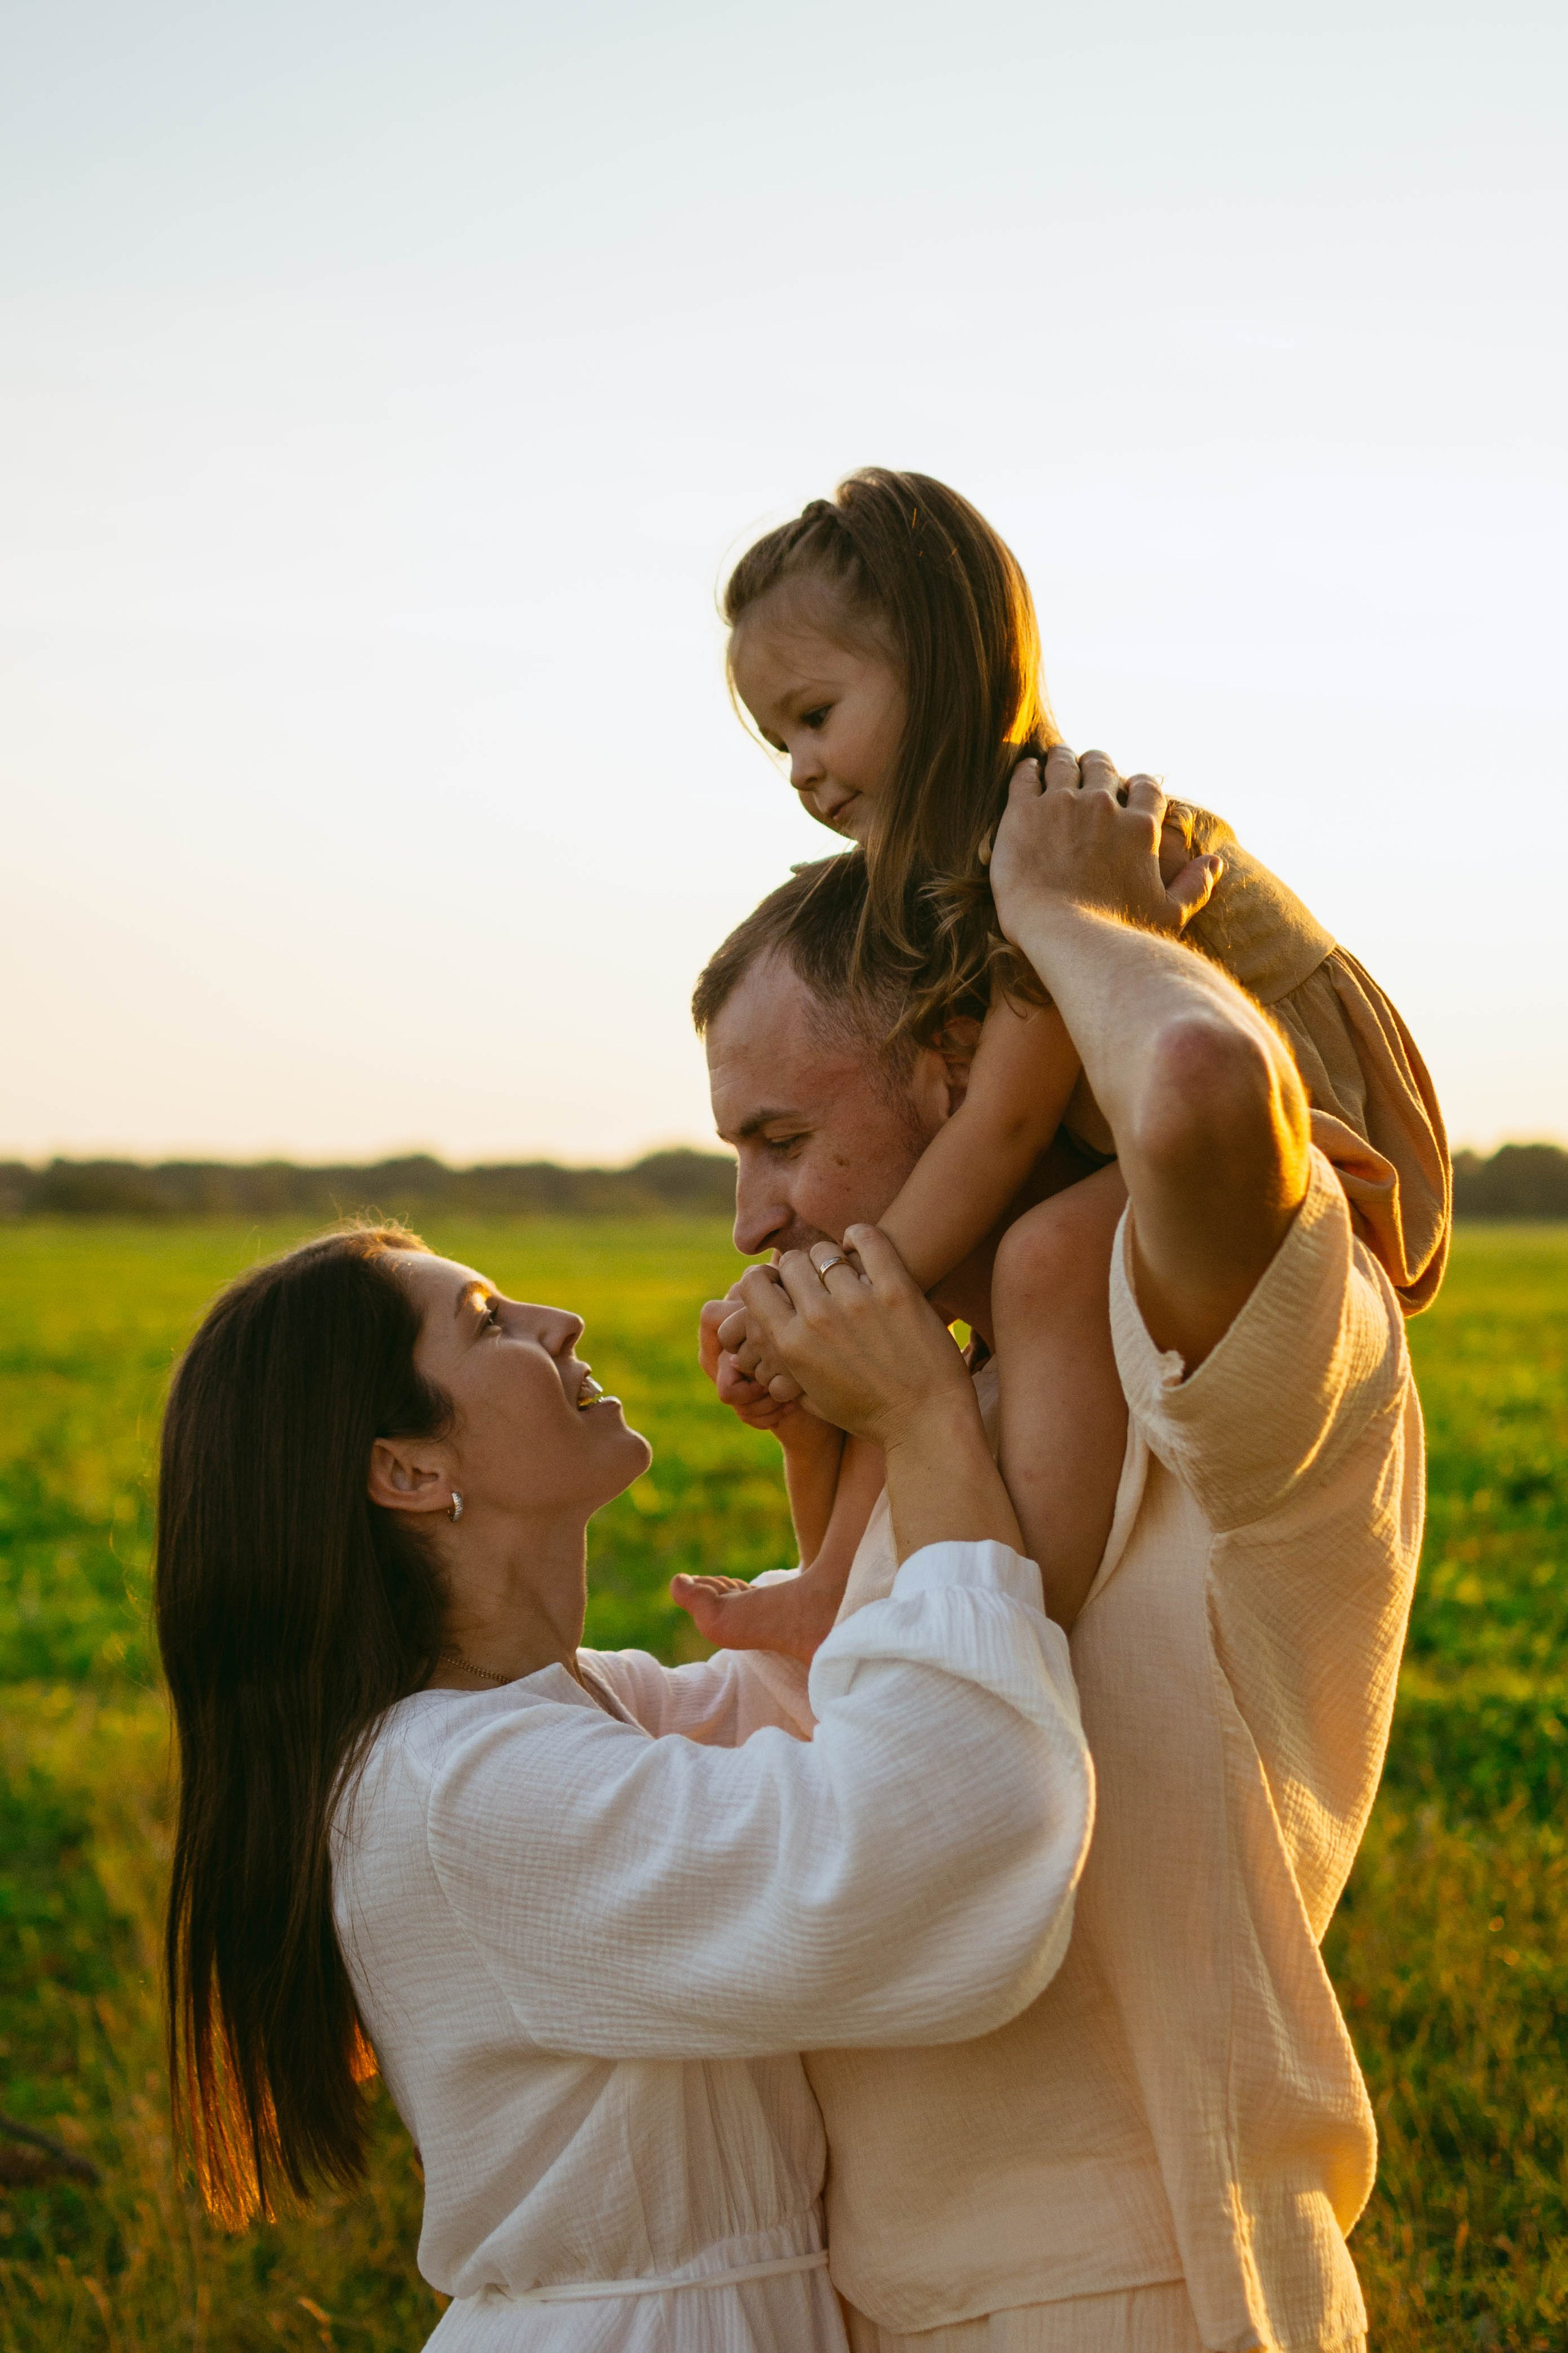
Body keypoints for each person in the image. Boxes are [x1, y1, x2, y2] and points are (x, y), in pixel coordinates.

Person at [677, 752, 1425, 2352]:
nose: (750, 1215)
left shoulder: (1238, 1345)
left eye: (782, 1134)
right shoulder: (960, 1392)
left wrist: (1067, 913)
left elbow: (1207, 1090)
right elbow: (893, 1733)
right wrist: (836, 1437)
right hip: (869, 2287)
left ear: (965, 1068)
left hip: (1135, 2286)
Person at [153, 1219, 1093, 2352]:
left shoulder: (564, 1712)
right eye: (488, 1322)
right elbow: (918, 1838)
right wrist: (926, 1413)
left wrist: (831, 1456)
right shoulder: (460, 1790)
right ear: (409, 1468)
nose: (561, 1323)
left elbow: (809, 1734)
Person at [680, 468, 1447, 1656]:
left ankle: (1031, 1576)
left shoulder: (1048, 839)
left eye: (816, 715)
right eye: (779, 736)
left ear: (941, 667)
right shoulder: (950, 874)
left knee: (1032, 1257)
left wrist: (841, 1295)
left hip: (1280, 1122)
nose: (797, 765)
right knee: (933, 1302)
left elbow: (1002, 1121)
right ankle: (839, 1576)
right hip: (1144, 1133)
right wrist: (846, 1324)